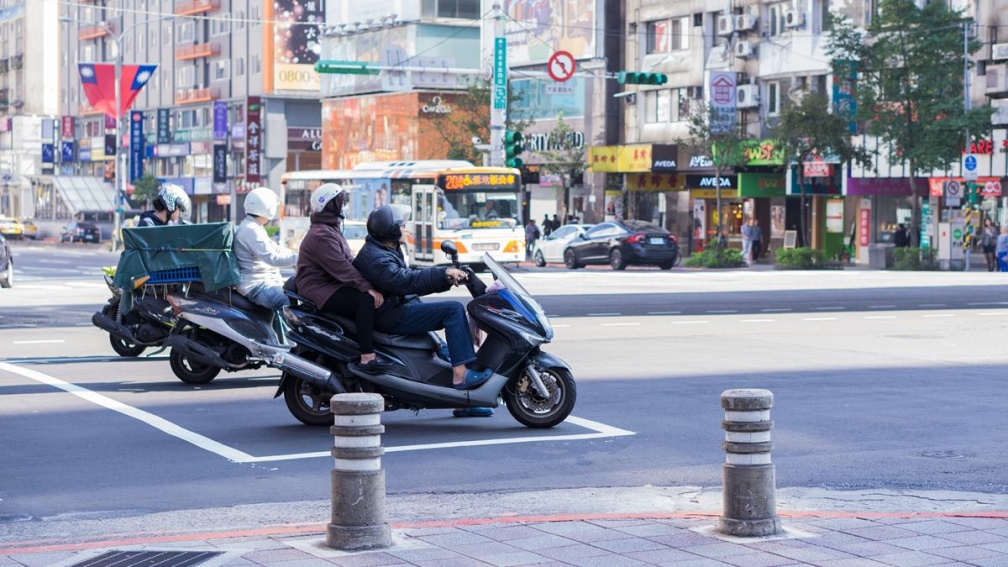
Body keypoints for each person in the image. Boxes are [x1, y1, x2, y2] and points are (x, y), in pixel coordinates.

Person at [353, 205, 494, 416]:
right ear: (391, 230)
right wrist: (443, 274)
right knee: (453, 310)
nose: (405, 228)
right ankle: (460, 375)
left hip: (400, 306)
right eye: (401, 225)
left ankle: (466, 401)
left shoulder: (385, 248)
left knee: (444, 348)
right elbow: (404, 281)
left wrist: (445, 276)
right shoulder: (376, 257)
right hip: (392, 315)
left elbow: (410, 277)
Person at [296, 183, 392, 374]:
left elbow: (349, 261)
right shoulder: (322, 234)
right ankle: (367, 357)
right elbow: (341, 267)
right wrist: (366, 286)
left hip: (329, 284)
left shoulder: (330, 229)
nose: (344, 206)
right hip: (319, 289)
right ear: (331, 206)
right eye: (341, 202)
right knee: (365, 300)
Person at [234, 187, 297, 311]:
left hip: (264, 282)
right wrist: (302, 258)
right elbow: (273, 258)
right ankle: (283, 331)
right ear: (268, 208)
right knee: (286, 302)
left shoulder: (254, 226)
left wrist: (297, 253)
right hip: (256, 285)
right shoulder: (251, 229)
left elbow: (276, 249)